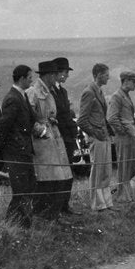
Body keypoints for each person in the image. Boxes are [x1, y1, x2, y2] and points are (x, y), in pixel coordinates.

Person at [26, 60, 73, 220]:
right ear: (48, 75)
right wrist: (42, 130)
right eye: (54, 74)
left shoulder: (50, 91)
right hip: (42, 143)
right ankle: (43, 215)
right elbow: (27, 118)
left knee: (59, 177)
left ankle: (53, 214)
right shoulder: (33, 92)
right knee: (46, 178)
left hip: (54, 137)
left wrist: (52, 122)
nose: (56, 77)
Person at [0, 65, 37, 226]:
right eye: (30, 77)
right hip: (16, 151)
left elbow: (31, 119)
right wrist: (1, 150)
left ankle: (18, 221)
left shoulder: (21, 96)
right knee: (21, 188)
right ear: (22, 78)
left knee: (28, 185)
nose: (32, 80)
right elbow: (3, 127)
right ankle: (17, 222)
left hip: (23, 150)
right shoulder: (13, 98)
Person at [79, 63, 114, 212]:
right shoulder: (89, 92)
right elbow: (82, 120)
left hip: (104, 135)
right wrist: (94, 133)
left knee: (106, 171)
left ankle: (106, 203)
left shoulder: (98, 91)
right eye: (106, 74)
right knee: (98, 170)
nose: (108, 77)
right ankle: (97, 204)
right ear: (98, 75)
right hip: (97, 137)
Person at [50, 57, 79, 215]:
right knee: (60, 174)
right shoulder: (51, 91)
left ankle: (64, 205)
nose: (67, 75)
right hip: (59, 137)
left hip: (67, 137)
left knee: (68, 173)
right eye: (66, 72)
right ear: (58, 73)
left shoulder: (62, 91)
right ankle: (58, 207)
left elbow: (66, 114)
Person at [107, 71, 135, 201]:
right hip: (123, 137)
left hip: (128, 136)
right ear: (126, 81)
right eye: (134, 81)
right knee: (124, 166)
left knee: (128, 166)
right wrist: (122, 131)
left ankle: (126, 195)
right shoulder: (117, 96)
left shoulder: (125, 95)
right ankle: (122, 196)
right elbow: (111, 118)